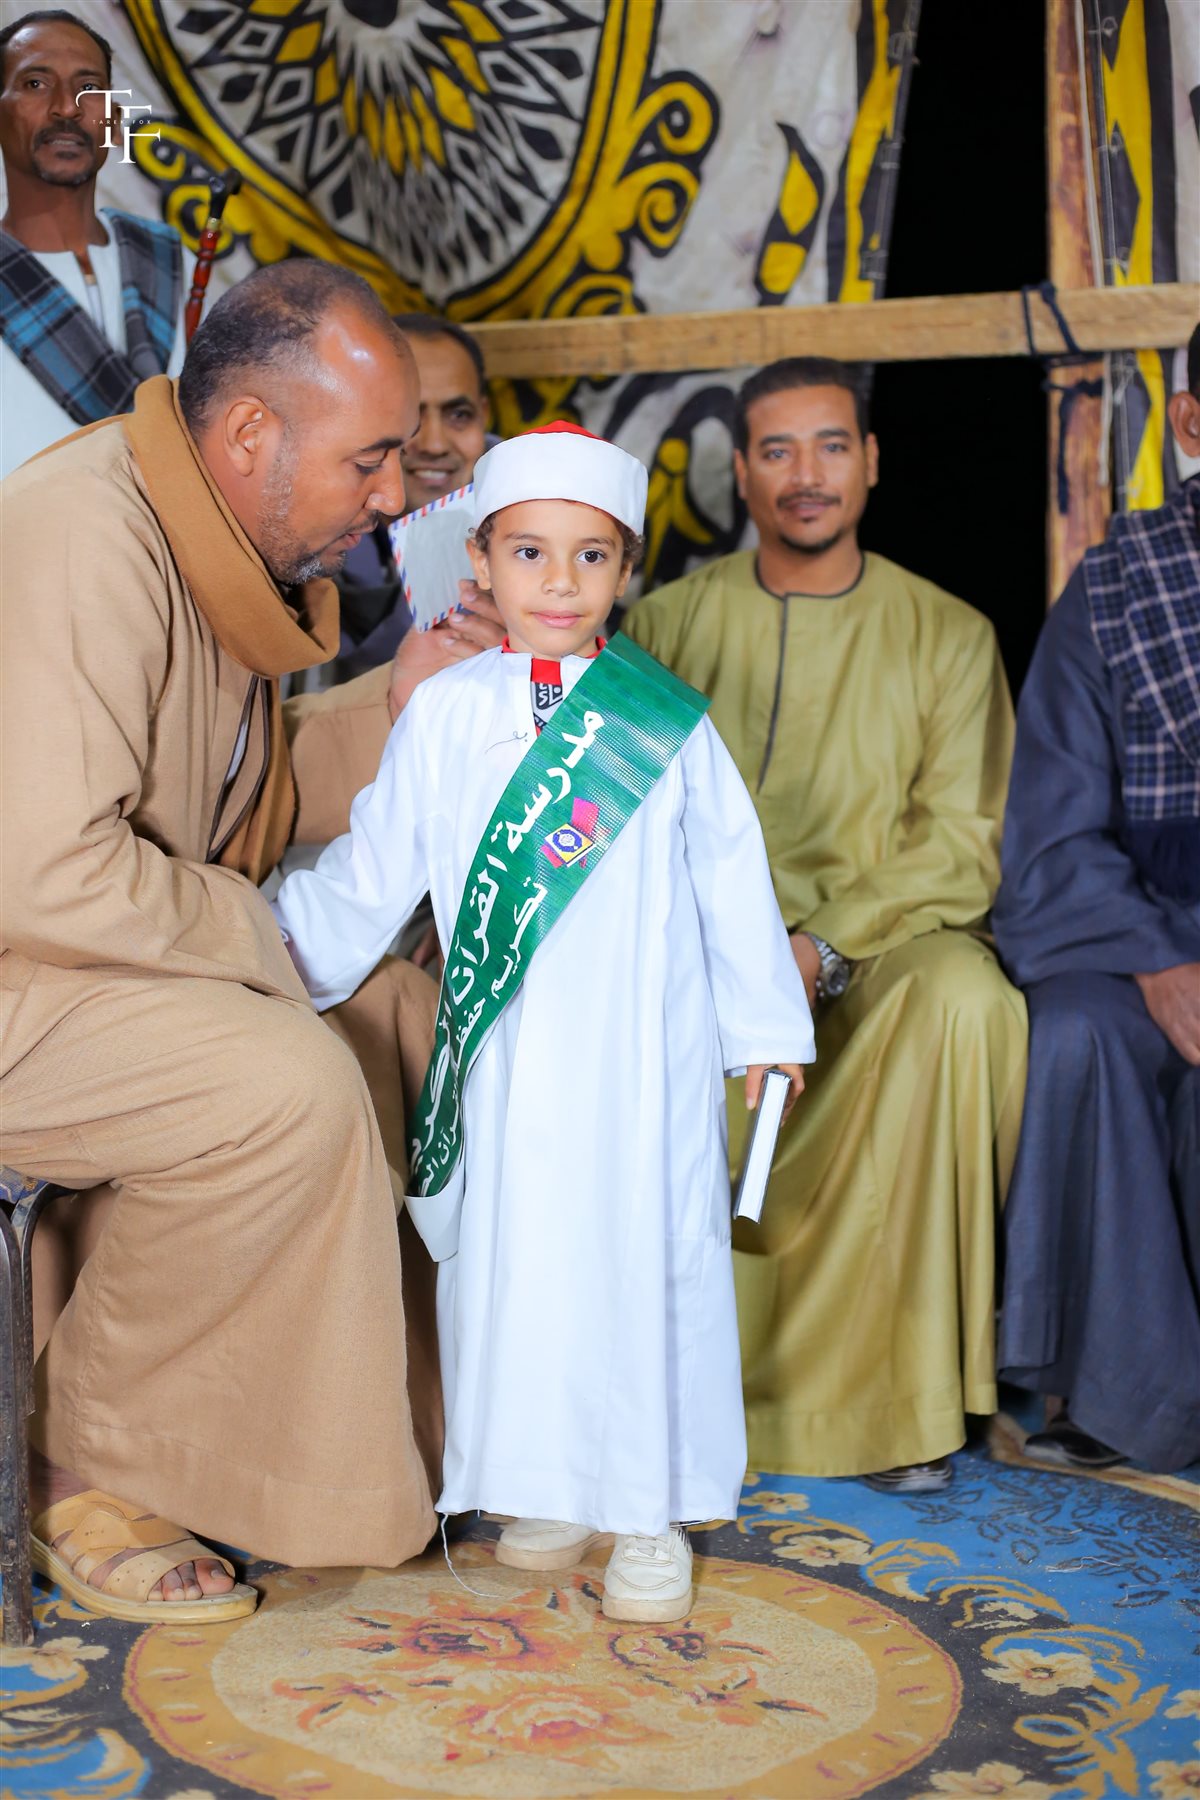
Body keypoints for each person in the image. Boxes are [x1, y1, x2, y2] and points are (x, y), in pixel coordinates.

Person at [272, 423, 814, 1622]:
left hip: (643, 1058)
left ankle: (649, 1514)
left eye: (590, 556)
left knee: (641, 1268)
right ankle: (548, 1485)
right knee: (523, 1268)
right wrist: (264, 955)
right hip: (507, 1055)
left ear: (624, 569)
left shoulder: (666, 725)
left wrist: (764, 1027)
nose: (559, 582)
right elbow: (374, 871)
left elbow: (734, 884)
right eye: (529, 553)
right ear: (481, 564)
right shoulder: (445, 713)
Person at [0, 260, 447, 1624]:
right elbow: (47, 872)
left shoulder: (205, 531)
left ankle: (319, 1456)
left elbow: (235, 802)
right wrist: (267, 938)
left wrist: (403, 707)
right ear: (251, 434)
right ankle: (82, 1458)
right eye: (370, 458)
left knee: (399, 1015)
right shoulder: (86, 535)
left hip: (73, 957)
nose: (394, 494)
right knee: (278, 1084)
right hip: (23, 961)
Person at [623, 357, 1027, 1493]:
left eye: (833, 445)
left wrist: (825, 945)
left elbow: (962, 842)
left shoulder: (948, 633)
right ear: (742, 473)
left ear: (873, 462)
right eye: (779, 450)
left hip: (876, 956)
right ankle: (658, 1394)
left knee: (968, 1002)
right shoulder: (663, 626)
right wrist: (733, 951)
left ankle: (899, 1404)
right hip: (697, 956)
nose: (808, 474)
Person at [992, 326, 1200, 1473]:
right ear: (1192, 424)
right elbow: (1054, 823)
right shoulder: (1116, 588)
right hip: (1134, 926)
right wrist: (1157, 959)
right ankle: (1116, 1395)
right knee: (1077, 1035)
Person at [0, 9, 189, 478]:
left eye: (89, 88)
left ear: (114, 120)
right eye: (36, 84)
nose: (68, 107)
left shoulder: (167, 257)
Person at [323, 314, 492, 683]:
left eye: (459, 415)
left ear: (484, 416)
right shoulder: (310, 540)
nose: (434, 444)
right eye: (411, 415)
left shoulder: (535, 526)